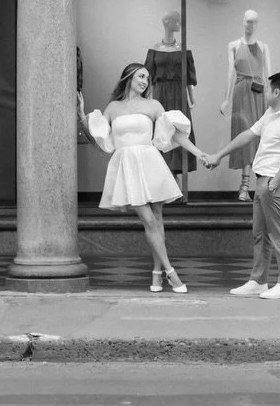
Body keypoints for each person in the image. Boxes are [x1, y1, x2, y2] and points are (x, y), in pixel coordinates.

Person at [79, 62, 208, 293]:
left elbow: (175, 133)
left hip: (150, 162)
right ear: (128, 77)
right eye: (141, 76)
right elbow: (100, 141)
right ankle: (171, 272)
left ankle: (156, 274)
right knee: (148, 220)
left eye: (147, 78)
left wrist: (198, 153)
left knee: (157, 219)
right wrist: (82, 116)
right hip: (127, 166)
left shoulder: (153, 105)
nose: (145, 81)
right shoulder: (113, 108)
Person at [202, 71, 280, 301]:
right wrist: (219, 154)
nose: (264, 92)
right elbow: (248, 134)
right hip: (263, 181)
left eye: (267, 89)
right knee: (260, 234)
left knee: (279, 234)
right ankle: (258, 281)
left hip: (274, 182)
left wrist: (274, 184)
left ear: (276, 92)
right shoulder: (270, 114)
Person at [220, 9, 272, 201]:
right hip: (241, 93)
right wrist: (226, 98)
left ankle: (260, 185)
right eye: (248, 21)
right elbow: (230, 72)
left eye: (254, 22)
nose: (251, 25)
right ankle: (244, 187)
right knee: (246, 136)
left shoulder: (264, 47)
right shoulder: (234, 45)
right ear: (243, 22)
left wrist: (273, 99)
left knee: (261, 137)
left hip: (259, 94)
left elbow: (269, 74)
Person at [144, 11, 198, 175]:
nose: (179, 24)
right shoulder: (154, 49)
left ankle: (175, 177)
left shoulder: (184, 50)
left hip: (179, 93)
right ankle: (163, 177)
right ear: (167, 22)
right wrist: (146, 101)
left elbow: (189, 78)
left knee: (178, 130)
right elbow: (147, 77)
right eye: (176, 21)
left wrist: (191, 97)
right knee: (160, 130)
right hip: (160, 94)